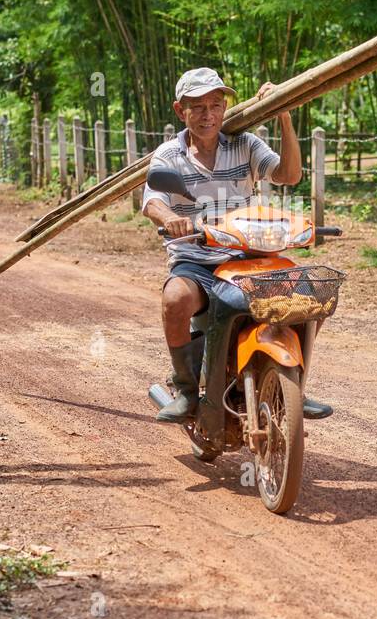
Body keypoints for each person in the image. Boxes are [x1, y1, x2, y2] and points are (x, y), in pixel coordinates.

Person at [141, 66, 332, 423]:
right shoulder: (169, 155)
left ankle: (293, 384)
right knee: (175, 299)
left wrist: (284, 118)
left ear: (225, 108)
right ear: (180, 110)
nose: (208, 114)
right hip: (197, 261)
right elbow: (152, 200)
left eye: (215, 104)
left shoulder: (245, 144)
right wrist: (170, 219)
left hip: (247, 256)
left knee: (309, 295)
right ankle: (185, 389)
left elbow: (289, 175)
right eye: (197, 107)